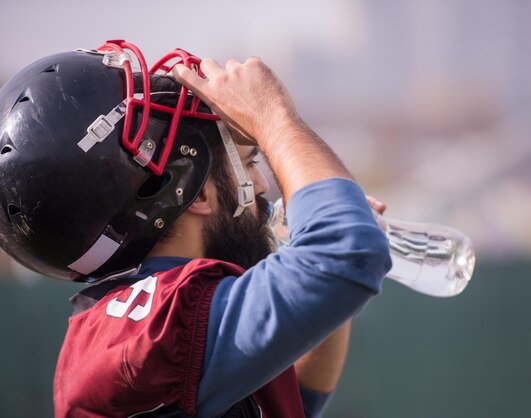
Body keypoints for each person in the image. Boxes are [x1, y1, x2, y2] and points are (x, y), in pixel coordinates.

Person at [0, 41, 391, 417]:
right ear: (196, 192)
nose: (260, 186)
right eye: (250, 163)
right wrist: (273, 116)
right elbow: (347, 254)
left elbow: (289, 404)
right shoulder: (154, 324)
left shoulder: (144, 325)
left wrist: (321, 279)